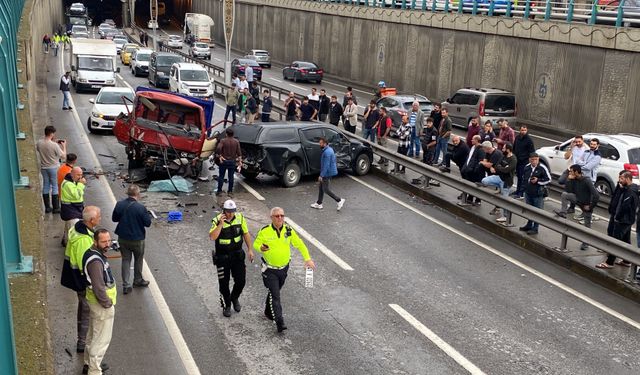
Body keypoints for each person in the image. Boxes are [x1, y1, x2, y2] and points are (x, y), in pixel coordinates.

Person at [253, 207, 316, 332]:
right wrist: (261, 248)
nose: (280, 218)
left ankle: (268, 311)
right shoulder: (264, 231)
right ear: (271, 218)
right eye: (277, 216)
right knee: (276, 295)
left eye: (282, 215)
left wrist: (307, 259)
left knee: (274, 291)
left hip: (283, 269)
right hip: (269, 270)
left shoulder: (288, 230)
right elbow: (256, 244)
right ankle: (279, 321)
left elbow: (299, 244)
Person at [60, 206, 102, 355]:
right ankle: (84, 344)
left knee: (83, 310)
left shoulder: (78, 230)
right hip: (83, 281)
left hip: (76, 279)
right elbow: (86, 264)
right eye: (99, 217)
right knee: (89, 313)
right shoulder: (84, 240)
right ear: (91, 220)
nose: (100, 219)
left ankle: (82, 342)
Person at [209, 200, 254, 317]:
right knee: (224, 284)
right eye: (228, 212)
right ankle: (227, 304)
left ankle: (234, 298)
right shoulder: (217, 220)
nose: (230, 214)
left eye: (232, 211)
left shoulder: (240, 218)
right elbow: (212, 237)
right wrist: (220, 224)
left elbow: (246, 234)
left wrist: (250, 249)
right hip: (222, 258)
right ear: (224, 210)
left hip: (237, 256)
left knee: (241, 281)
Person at [82, 229, 116, 375]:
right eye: (103, 241)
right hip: (101, 305)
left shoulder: (93, 254)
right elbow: (98, 287)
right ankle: (95, 370)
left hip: (95, 302)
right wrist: (107, 303)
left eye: (109, 240)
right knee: (101, 340)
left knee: (92, 336)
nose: (107, 244)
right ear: (95, 242)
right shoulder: (96, 261)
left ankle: (88, 364)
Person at [112, 184, 151, 295]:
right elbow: (147, 224)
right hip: (137, 239)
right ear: (138, 194)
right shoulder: (141, 208)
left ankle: (126, 285)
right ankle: (138, 280)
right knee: (138, 259)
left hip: (123, 238)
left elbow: (114, 219)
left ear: (127, 193)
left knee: (125, 260)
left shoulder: (119, 204)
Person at [597, 171, 637, 269]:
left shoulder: (630, 191)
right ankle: (627, 260)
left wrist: (617, 217)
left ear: (628, 179)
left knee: (616, 241)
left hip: (623, 220)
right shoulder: (626, 189)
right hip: (626, 220)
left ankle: (609, 262)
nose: (620, 180)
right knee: (625, 241)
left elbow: (625, 206)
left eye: (622, 178)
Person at [553, 165, 599, 250]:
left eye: (571, 171)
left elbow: (596, 195)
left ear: (577, 172)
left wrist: (590, 206)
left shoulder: (587, 180)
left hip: (586, 205)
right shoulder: (574, 180)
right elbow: (567, 190)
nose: (570, 173)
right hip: (577, 199)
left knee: (587, 225)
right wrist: (569, 180)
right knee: (564, 194)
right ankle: (563, 212)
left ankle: (585, 244)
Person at [519, 153, 551, 235]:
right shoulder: (527, 167)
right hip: (528, 192)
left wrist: (538, 181)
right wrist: (522, 190)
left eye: (536, 159)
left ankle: (535, 228)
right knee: (529, 210)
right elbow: (524, 179)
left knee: (537, 211)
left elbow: (548, 179)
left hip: (538, 193)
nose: (534, 161)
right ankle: (529, 225)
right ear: (530, 159)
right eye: (532, 160)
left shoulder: (542, 168)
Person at [37, 125, 66, 213]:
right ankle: (56, 208)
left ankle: (47, 207)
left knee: (46, 185)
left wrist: (54, 142)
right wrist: (64, 146)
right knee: (54, 186)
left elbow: (42, 147)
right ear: (52, 134)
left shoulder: (39, 143)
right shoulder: (54, 145)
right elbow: (63, 156)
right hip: (53, 168)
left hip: (43, 168)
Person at [311, 138, 346, 210]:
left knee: (325, 189)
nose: (319, 144)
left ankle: (339, 200)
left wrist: (321, 175)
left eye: (320, 143)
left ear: (325, 143)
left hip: (327, 173)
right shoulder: (329, 149)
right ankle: (319, 203)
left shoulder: (327, 152)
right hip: (329, 172)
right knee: (321, 188)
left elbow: (326, 165)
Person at [489, 143, 517, 223]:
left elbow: (507, 170)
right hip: (500, 178)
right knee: (485, 181)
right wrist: (502, 168)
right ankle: (499, 189)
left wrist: (501, 168)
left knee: (505, 199)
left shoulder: (513, 159)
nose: (502, 149)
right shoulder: (503, 156)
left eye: (504, 148)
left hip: (506, 181)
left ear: (508, 149)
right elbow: (497, 165)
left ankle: (505, 216)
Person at [60, 166, 86, 247]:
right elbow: (77, 195)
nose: (80, 177)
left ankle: (65, 241)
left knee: (68, 227)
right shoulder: (68, 184)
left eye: (81, 175)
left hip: (73, 209)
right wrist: (81, 184)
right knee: (73, 229)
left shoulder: (72, 181)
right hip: (71, 210)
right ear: (72, 174)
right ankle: (71, 246)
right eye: (78, 175)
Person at [459, 137, 486, 206]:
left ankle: (478, 200)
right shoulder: (473, 147)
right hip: (470, 170)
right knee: (471, 184)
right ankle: (470, 198)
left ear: (477, 140)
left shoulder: (481, 150)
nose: (471, 140)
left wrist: (475, 169)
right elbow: (469, 158)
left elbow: (480, 161)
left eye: (473, 139)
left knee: (477, 186)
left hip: (477, 172)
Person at [479, 141, 504, 215]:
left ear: (486, 148)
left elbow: (489, 165)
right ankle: (497, 208)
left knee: (502, 195)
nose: (483, 150)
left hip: (499, 175)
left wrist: (485, 164)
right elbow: (485, 162)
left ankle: (498, 209)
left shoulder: (496, 154)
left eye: (483, 148)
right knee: (481, 166)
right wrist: (485, 163)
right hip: (493, 173)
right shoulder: (488, 152)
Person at [216, 128, 242, 197]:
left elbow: (218, 149)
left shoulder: (223, 141)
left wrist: (219, 155)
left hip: (224, 161)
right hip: (232, 162)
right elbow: (239, 152)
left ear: (226, 134)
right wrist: (240, 161)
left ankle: (219, 191)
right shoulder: (236, 142)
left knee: (221, 176)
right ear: (233, 134)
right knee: (231, 177)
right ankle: (230, 191)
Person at [512, 126, 536, 199]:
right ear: (520, 130)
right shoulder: (517, 138)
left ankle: (521, 193)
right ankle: (517, 190)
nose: (523, 132)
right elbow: (514, 147)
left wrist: (530, 161)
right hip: (517, 161)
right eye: (522, 130)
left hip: (524, 162)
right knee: (519, 177)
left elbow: (532, 152)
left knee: (523, 178)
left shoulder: (529, 140)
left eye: (525, 130)